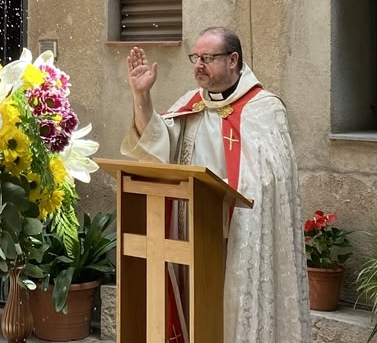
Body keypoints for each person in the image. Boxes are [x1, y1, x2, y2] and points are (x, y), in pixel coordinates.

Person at [120, 26, 310, 342]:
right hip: (193, 232)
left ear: (232, 60)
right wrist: (141, 96)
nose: (198, 65)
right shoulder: (191, 103)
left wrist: (219, 190)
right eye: (195, 57)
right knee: (198, 312)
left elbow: (271, 181)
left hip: (238, 235)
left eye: (208, 58)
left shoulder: (265, 108)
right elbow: (155, 146)